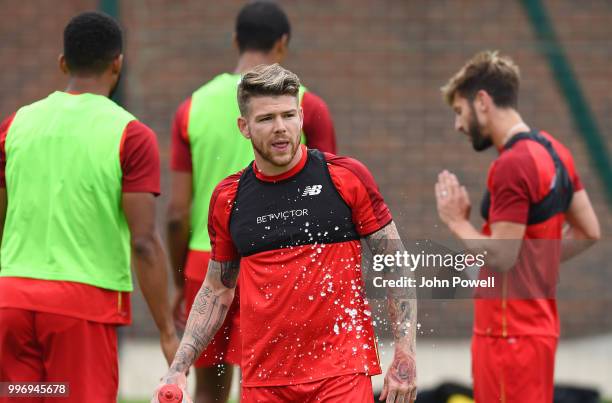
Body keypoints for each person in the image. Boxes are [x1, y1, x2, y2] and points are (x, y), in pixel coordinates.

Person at [155, 64, 416, 403]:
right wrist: (178, 368)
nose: (280, 128)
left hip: (341, 374)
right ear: (244, 127)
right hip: (264, 382)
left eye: (288, 115)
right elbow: (218, 289)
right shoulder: (228, 198)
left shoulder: (345, 178)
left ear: (301, 117)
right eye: (265, 119)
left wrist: (405, 354)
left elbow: (395, 263)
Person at [0, 11, 179, 403]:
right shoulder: (131, 135)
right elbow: (145, 242)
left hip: (11, 304)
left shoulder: (14, 125)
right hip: (81, 310)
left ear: (63, 63)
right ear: (118, 62)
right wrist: (167, 330)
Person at [166, 2, 337, 402]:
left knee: (207, 388)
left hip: (203, 263)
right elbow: (330, 200)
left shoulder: (191, 107)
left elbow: (176, 214)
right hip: (280, 265)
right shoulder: (304, 106)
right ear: (283, 45)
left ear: (234, 41)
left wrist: (180, 281)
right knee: (266, 381)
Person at [435, 51, 600, 402]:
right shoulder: (556, 152)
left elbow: (503, 255)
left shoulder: (512, 164)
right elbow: (589, 232)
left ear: (482, 101)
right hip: (537, 332)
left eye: (459, 111)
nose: (458, 125)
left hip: (506, 339)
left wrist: (457, 221)